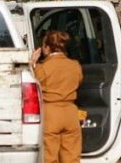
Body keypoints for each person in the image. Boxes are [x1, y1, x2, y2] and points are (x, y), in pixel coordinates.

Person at [32, 30, 84, 163]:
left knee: (49, 157)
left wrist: (33, 64)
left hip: (51, 113)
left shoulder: (42, 68)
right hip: (71, 113)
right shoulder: (75, 65)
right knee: (72, 157)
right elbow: (79, 81)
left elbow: (35, 82)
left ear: (47, 48)